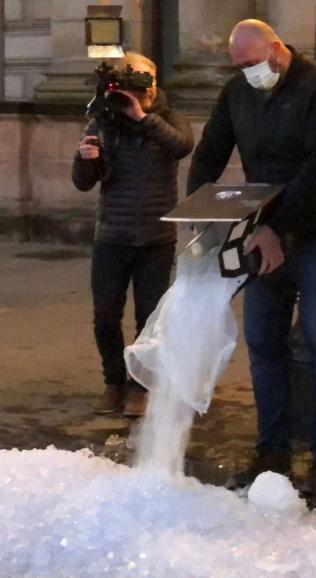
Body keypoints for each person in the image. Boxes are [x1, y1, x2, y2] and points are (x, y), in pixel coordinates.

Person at [187, 19, 316, 496]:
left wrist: (279, 228)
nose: (247, 72)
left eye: (253, 62)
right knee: (263, 342)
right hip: (260, 235)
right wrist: (198, 213)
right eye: (239, 66)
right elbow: (209, 152)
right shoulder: (238, 92)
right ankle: (272, 449)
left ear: (277, 49)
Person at [72, 52, 194, 419]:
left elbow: (182, 145)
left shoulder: (170, 119)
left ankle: (140, 386)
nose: (144, 88)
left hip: (155, 238)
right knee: (106, 314)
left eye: (148, 80)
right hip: (112, 234)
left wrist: (142, 118)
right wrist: (84, 158)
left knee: (149, 319)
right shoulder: (103, 122)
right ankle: (113, 382)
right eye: (135, 82)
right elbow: (82, 183)